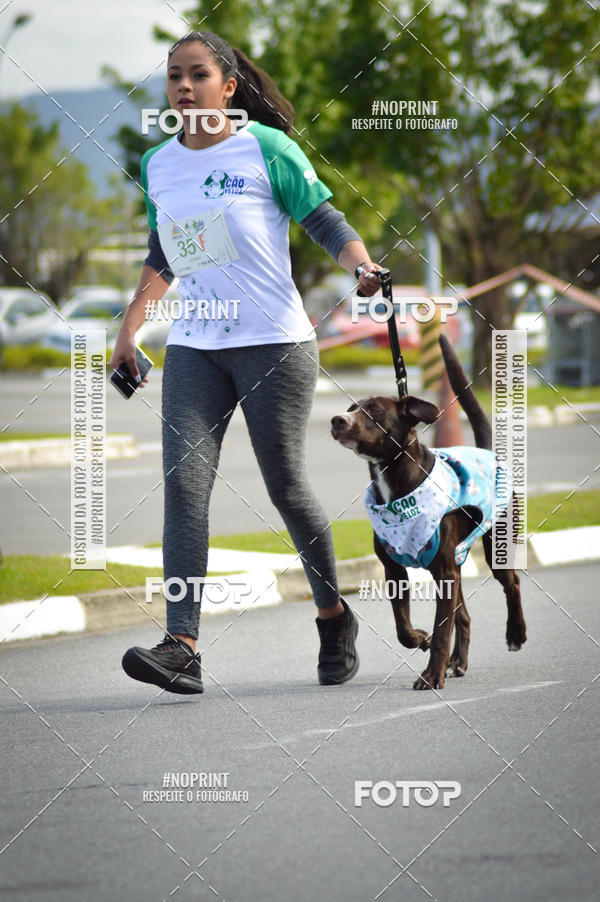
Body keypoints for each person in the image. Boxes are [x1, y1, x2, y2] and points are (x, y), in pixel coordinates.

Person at [114, 30, 382, 695]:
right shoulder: (159, 163)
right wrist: (130, 328)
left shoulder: (265, 148)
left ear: (228, 86)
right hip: (197, 347)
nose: (182, 86)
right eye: (173, 76)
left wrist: (362, 266)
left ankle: (333, 615)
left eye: (197, 74)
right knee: (183, 485)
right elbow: (164, 252)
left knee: (286, 486)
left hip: (274, 344)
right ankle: (182, 644)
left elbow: (323, 219)